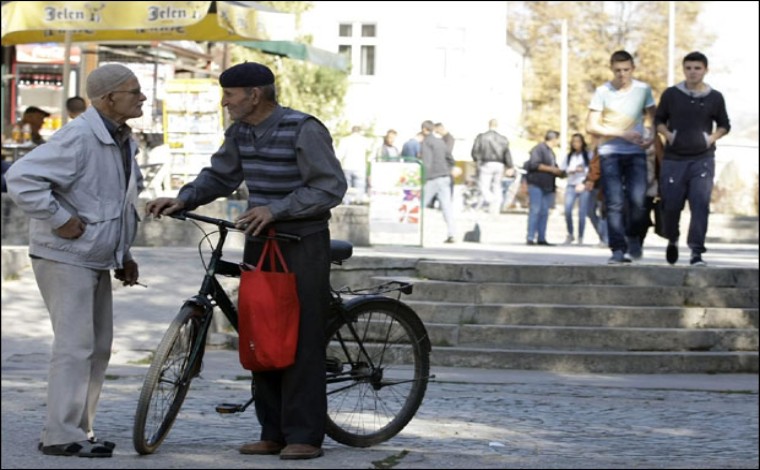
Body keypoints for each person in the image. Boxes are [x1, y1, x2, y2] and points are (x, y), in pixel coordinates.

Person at [145, 61, 346, 460]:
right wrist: (184, 198)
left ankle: (304, 435)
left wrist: (278, 208)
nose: (225, 103)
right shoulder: (240, 131)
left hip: (302, 242)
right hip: (260, 241)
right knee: (261, 333)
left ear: (255, 95)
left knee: (299, 335)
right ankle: (272, 432)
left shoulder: (303, 128)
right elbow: (221, 176)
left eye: (230, 96)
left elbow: (330, 187)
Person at [5, 63, 145, 458]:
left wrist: (124, 254)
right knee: (75, 346)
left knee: (98, 346)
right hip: (65, 255)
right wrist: (60, 219)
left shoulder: (120, 137)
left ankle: (77, 429)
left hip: (93, 255)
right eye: (133, 91)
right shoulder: (79, 137)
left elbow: (112, 202)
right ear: (107, 99)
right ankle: (61, 434)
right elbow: (21, 178)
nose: (142, 97)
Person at [655, 51, 731, 266]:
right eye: (688, 68)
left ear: (705, 70)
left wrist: (711, 138)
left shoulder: (715, 97)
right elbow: (659, 119)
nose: (692, 72)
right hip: (673, 160)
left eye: (697, 68)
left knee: (700, 204)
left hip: (702, 159)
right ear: (683, 70)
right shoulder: (671, 94)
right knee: (670, 205)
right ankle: (672, 237)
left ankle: (696, 252)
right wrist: (668, 135)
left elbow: (725, 124)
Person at [586, 50, 656, 264]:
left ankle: (634, 236)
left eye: (626, 70)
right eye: (618, 70)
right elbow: (591, 126)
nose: (622, 74)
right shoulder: (602, 91)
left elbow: (653, 119)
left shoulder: (643, 90)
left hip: (636, 152)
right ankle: (617, 249)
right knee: (614, 203)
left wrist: (650, 138)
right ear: (611, 69)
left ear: (633, 69)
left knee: (638, 201)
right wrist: (621, 133)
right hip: (610, 153)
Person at [524, 130, 565, 245]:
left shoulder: (551, 152)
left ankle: (541, 237)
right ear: (554, 139)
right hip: (537, 183)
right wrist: (552, 169)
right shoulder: (539, 149)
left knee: (544, 212)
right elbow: (534, 164)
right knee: (535, 210)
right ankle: (531, 237)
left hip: (548, 186)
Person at [420, 119, 457, 243]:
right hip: (445, 176)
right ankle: (452, 232)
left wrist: (423, 178)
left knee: (421, 204)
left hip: (432, 177)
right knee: (446, 206)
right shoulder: (440, 142)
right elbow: (451, 159)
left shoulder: (427, 142)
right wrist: (449, 169)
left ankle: (414, 232)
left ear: (424, 130)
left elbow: (427, 162)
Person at [471, 118, 513, 215]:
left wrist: (477, 161)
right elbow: (507, 153)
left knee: (484, 185)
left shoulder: (481, 137)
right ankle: (495, 209)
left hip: (486, 163)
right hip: (500, 164)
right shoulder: (503, 138)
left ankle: (490, 199)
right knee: (497, 186)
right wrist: (510, 166)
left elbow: (475, 151)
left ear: (488, 125)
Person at [559, 133, 591, 245]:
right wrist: (571, 170)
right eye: (574, 141)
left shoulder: (588, 155)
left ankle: (581, 236)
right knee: (567, 210)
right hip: (571, 185)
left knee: (582, 213)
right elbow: (562, 170)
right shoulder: (569, 156)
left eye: (578, 141)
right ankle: (570, 234)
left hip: (583, 185)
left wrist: (584, 180)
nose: (576, 144)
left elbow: (592, 171)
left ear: (582, 143)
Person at [336, 125, 370, 203]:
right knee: (359, 188)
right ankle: (358, 202)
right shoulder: (364, 140)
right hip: (360, 167)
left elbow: (339, 155)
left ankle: (347, 203)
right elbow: (370, 151)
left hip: (347, 166)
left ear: (352, 131)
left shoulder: (345, 140)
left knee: (347, 188)